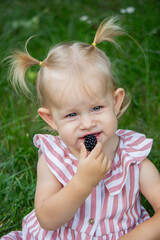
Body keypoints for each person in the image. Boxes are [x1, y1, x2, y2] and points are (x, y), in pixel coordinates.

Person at [2, 16, 160, 240]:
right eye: (72, 114)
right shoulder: (53, 159)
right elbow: (47, 219)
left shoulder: (133, 157)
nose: (87, 124)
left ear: (115, 102)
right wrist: (82, 182)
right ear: (51, 120)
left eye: (96, 107)